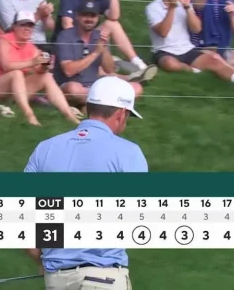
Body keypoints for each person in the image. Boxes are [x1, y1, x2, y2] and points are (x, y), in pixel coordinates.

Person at [24, 75, 146, 288]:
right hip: (104, 278)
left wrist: (45, 258)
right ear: (120, 114)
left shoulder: (45, 149)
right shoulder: (129, 153)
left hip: (57, 280)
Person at [0, 10, 80, 125]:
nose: (27, 29)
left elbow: (38, 70)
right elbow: (5, 66)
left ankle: (69, 115)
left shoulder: (30, 46)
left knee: (46, 76)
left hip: (16, 90)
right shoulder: (2, 40)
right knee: (16, 73)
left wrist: (45, 66)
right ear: (14, 26)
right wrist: (33, 62)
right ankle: (29, 115)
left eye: (30, 25)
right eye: (23, 25)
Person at [54, 0, 146, 108]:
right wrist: (95, 53)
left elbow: (109, 69)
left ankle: (92, 102)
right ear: (77, 16)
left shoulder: (99, 36)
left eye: (92, 16)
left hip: (94, 85)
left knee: (137, 88)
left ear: (98, 18)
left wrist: (104, 49)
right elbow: (68, 71)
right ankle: (105, 102)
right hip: (70, 85)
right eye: (85, 15)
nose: (89, 19)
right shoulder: (65, 36)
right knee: (73, 89)